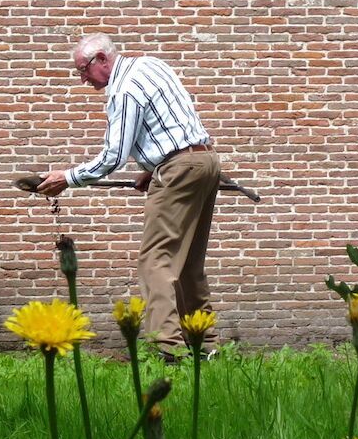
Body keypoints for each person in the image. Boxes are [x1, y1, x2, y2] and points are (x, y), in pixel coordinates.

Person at [37, 33, 221, 361]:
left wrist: (68, 178)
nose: (82, 79)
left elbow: (114, 156)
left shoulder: (123, 90)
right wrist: (154, 166)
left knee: (155, 261)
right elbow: (172, 124)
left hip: (180, 170)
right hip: (205, 161)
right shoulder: (151, 65)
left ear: (102, 60)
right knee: (190, 263)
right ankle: (206, 346)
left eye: (82, 70)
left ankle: (170, 350)